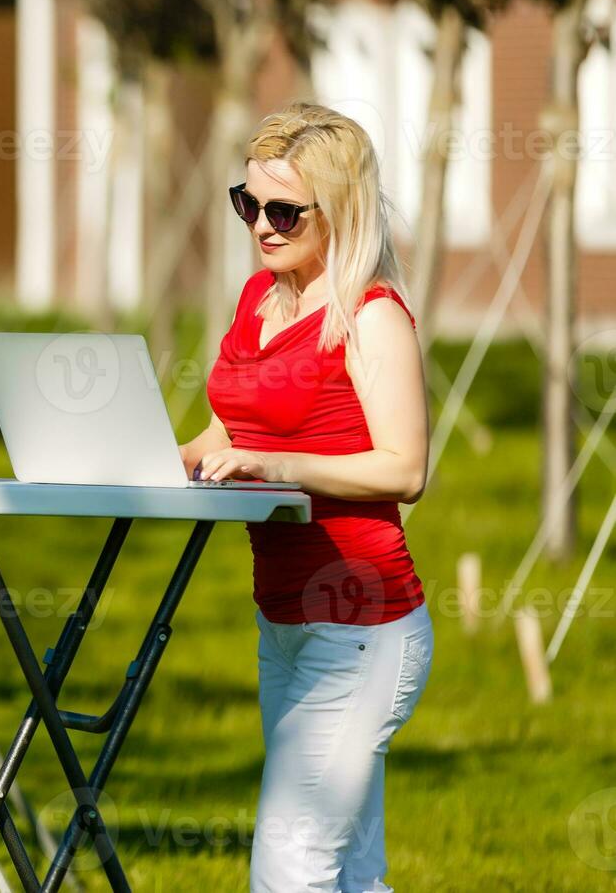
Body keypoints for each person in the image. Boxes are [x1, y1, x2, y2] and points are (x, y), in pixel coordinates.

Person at [178, 103, 434, 892]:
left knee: (291, 870)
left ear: (341, 210)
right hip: (284, 620)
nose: (262, 225)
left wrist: (276, 463)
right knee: (350, 874)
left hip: (361, 627)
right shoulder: (261, 300)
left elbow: (405, 471)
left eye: (285, 210)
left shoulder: (371, 316)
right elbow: (225, 432)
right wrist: (122, 456)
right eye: (247, 203)